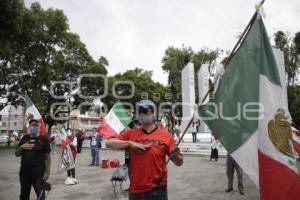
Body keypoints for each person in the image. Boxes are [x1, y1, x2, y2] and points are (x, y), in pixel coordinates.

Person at [106, 99, 183, 200]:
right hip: (135, 191)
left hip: (157, 190)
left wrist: (176, 156)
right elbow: (108, 143)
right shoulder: (131, 134)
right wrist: (130, 143)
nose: (141, 114)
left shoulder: (166, 136)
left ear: (153, 113)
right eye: (139, 111)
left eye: (144, 110)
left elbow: (179, 162)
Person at [15, 119, 51, 200]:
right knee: (24, 195)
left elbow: (47, 157)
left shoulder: (44, 139)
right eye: (32, 125)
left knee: (41, 195)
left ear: (39, 127)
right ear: (29, 127)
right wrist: (22, 147)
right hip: (24, 173)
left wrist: (47, 172)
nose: (34, 127)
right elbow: (16, 154)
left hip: (38, 174)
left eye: (36, 125)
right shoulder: (24, 138)